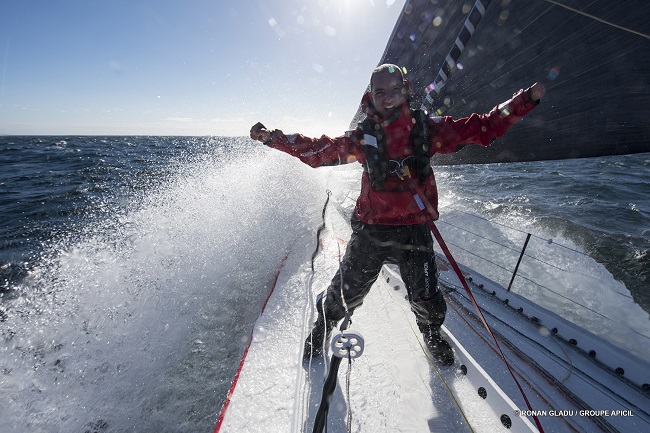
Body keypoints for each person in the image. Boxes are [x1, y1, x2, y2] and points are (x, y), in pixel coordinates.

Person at [250, 64, 546, 365]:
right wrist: (273, 138)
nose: (388, 98)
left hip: (415, 230)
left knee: (427, 297)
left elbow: (482, 128)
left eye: (394, 91)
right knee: (346, 291)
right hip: (372, 231)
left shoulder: (427, 129)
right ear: (371, 97)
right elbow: (318, 151)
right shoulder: (362, 139)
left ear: (405, 91)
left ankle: (431, 332)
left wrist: (525, 100)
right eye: (381, 93)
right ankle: (322, 326)